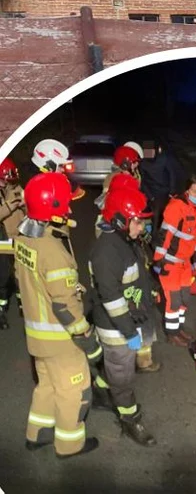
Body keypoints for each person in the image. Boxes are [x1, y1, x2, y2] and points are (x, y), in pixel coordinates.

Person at [14, 172, 102, 458]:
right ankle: (69, 444)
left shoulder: (25, 239)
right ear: (52, 208)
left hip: (36, 337)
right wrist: (85, 336)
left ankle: (37, 434)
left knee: (48, 386)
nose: (70, 210)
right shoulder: (53, 252)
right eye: (66, 204)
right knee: (74, 392)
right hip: (61, 340)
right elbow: (64, 305)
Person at [87, 185, 158, 446]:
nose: (142, 228)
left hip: (128, 321)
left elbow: (131, 283)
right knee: (123, 379)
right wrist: (129, 333)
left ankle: (103, 390)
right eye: (138, 222)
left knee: (119, 375)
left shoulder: (123, 241)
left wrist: (147, 295)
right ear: (119, 220)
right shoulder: (107, 252)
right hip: (117, 329)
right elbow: (113, 299)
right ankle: (130, 420)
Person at [153, 176, 196, 344]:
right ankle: (172, 334)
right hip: (170, 261)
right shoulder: (177, 207)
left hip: (185, 263)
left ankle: (179, 328)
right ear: (187, 190)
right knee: (174, 300)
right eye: (194, 191)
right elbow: (165, 235)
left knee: (185, 298)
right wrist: (158, 259)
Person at [0, 156, 26, 329]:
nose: (6, 183)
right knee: (2, 276)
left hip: (20, 236)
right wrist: (9, 206)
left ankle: (25, 307)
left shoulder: (17, 188)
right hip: (3, 239)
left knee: (21, 274)